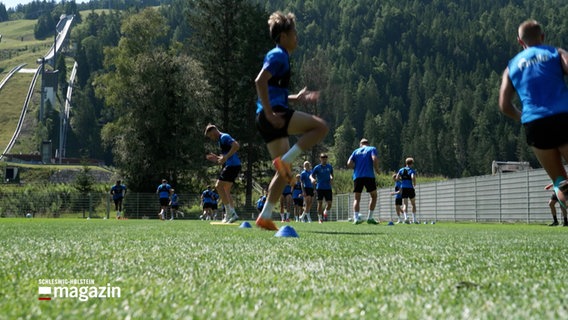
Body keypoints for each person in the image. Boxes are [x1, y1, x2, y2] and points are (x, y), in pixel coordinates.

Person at [254, 11, 329, 231]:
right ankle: (286, 160)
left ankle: (265, 216)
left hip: (269, 115)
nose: (297, 37)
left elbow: (271, 88)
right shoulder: (278, 55)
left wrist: (295, 97)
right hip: (273, 115)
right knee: (320, 127)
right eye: (294, 33)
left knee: (282, 173)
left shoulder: (282, 56)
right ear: (284, 36)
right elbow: (260, 82)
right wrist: (269, 113)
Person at [499, 19, 568, 207]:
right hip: (562, 117)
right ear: (543, 37)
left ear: (520, 42)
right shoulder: (555, 53)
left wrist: (524, 118)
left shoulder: (512, 66)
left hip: (535, 124)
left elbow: (504, 105)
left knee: (559, 181)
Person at [205, 124, 242, 223]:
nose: (211, 138)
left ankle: (229, 213)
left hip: (233, 165)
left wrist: (225, 158)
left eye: (210, 136)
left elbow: (236, 145)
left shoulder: (224, 137)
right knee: (225, 190)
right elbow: (226, 156)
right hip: (233, 165)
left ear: (213, 131)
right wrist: (217, 158)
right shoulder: (221, 140)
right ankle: (233, 214)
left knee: (218, 186)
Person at [347, 138, 380, 224]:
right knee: (374, 196)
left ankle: (356, 218)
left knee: (357, 198)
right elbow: (374, 158)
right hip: (369, 176)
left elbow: (349, 163)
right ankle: (370, 217)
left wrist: (355, 168)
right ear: (368, 143)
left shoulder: (355, 151)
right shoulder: (371, 148)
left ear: (360, 144)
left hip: (357, 176)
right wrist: (376, 169)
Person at [311, 153, 334, 223]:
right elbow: (311, 176)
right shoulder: (317, 167)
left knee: (329, 204)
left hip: (328, 188)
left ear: (327, 158)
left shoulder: (329, 167)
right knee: (320, 203)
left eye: (325, 157)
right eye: (322, 157)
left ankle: (325, 212)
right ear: (320, 159)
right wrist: (312, 179)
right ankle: (320, 218)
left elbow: (331, 175)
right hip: (320, 187)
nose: (324, 159)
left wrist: (331, 178)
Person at [396, 157, 418, 223]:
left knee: (405, 204)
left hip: (404, 188)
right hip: (410, 188)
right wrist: (414, 183)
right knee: (413, 204)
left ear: (406, 163)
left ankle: (405, 217)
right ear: (411, 164)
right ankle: (414, 219)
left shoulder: (401, 170)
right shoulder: (411, 170)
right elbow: (412, 177)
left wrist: (402, 180)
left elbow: (397, 178)